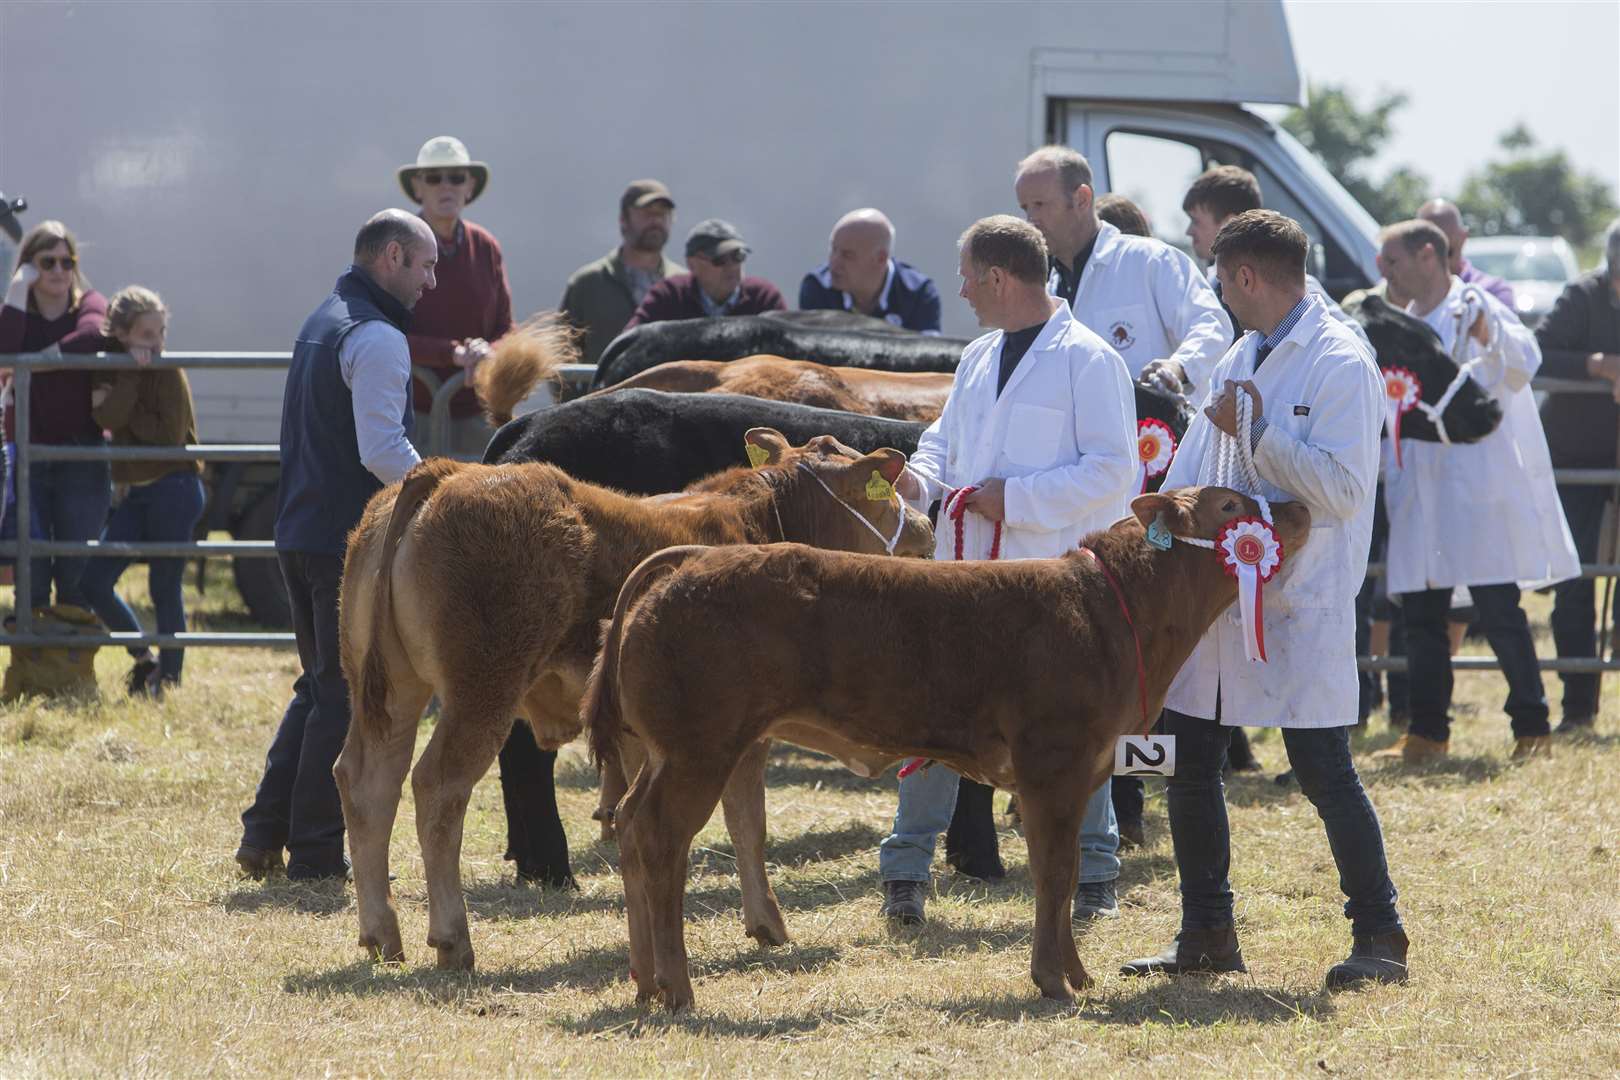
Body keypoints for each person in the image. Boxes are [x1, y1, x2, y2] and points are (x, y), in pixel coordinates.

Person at [1120, 210, 1408, 990]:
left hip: (1300, 600)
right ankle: (1206, 932)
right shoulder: (1245, 351)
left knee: (1322, 769)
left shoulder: (1341, 360)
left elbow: (1346, 490)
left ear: (1245, 275)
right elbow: (1194, 464)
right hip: (1214, 594)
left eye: (1218, 275)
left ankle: (1381, 934)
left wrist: (1258, 432)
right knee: (1187, 764)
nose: (1214, 289)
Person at [881, 214, 1136, 924]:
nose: (959, 290)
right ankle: (905, 872)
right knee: (929, 718)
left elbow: (1117, 471)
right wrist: (919, 481)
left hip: (1046, 588)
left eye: (967, 276)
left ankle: (1093, 877)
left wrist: (1013, 499)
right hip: (962, 581)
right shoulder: (979, 355)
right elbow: (946, 441)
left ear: (998, 277)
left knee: (1068, 731)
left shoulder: (1089, 360)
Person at [237, 210, 434, 882]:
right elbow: (382, 448)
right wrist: (437, 491)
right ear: (392, 256)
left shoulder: (325, 318)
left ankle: (265, 831)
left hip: (300, 528)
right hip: (341, 539)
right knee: (341, 695)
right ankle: (317, 853)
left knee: (318, 687)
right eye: (426, 265)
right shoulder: (377, 335)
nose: (431, 281)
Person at [1371, 220, 1578, 764]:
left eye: (1391, 261)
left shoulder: (1476, 308)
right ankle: (1427, 733)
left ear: (1427, 256)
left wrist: (1495, 338)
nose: (1382, 272)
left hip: (1475, 481)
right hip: (1422, 481)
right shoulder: (1397, 325)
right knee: (1421, 613)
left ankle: (1532, 728)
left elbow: (1525, 361)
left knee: (1499, 607)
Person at [1014, 146, 1230, 401]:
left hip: (1153, 437)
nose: (1031, 219)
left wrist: (1177, 367)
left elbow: (1212, 326)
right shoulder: (1047, 289)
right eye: (1025, 208)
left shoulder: (1150, 261)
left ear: (1082, 198)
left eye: (1040, 205)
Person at [73, 287, 204, 697]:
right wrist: (129, 378)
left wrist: (126, 409)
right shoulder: (114, 368)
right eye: (147, 335)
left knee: (165, 587)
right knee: (94, 581)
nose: (158, 343)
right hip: (137, 493)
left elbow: (167, 437)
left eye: (161, 332)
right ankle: (144, 658)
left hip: (175, 488)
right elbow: (105, 417)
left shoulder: (168, 370)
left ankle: (169, 682)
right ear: (123, 334)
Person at [1535, 217, 1620, 732]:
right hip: (1577, 458)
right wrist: (1598, 364)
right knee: (1576, 578)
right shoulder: (1580, 296)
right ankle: (1578, 707)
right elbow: (1539, 352)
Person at [0, 220, 111, 612]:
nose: (61, 271)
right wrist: (16, 288)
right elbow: (2, 351)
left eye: (68, 261)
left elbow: (92, 336)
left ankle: (72, 670)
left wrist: (28, 365)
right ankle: (33, 668)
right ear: (29, 265)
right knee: (31, 571)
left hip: (81, 454)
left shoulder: (90, 302)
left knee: (75, 571)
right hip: (26, 452)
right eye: (48, 262)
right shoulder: (16, 309)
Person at [396, 136, 512, 455]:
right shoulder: (397, 245)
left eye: (456, 177)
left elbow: (506, 326)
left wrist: (487, 351)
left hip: (478, 414)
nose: (446, 186)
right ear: (418, 187)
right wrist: (453, 354)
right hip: (412, 418)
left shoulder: (486, 247)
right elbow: (387, 332)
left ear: (469, 186)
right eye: (434, 178)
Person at [560, 179, 684, 365]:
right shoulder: (589, 283)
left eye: (663, 214)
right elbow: (561, 353)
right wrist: (579, 393)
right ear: (623, 220)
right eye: (647, 213)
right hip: (603, 393)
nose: (656, 221)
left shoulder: (683, 285)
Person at [798, 208, 942, 332]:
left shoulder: (919, 294)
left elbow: (928, 359)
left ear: (880, 258)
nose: (833, 263)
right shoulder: (817, 287)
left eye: (847, 255)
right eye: (833, 250)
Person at [623, 219, 785, 328]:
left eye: (738, 256)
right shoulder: (668, 296)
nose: (732, 266)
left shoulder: (765, 299)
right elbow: (631, 342)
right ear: (692, 264)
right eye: (719, 259)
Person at [1417, 199, 1515, 310]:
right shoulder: (1408, 291)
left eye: (1447, 251)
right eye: (1428, 250)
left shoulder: (1492, 291)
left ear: (1463, 237)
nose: (1438, 257)